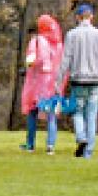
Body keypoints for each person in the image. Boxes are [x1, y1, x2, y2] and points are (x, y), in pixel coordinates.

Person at [57, 3, 98, 159]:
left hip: (78, 79)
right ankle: (89, 151)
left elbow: (66, 59)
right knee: (92, 115)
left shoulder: (72, 35)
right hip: (95, 80)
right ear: (91, 17)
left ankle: (81, 137)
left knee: (77, 111)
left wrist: (59, 81)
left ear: (77, 17)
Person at [19, 14, 63, 155]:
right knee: (51, 115)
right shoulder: (59, 44)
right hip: (53, 83)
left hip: (37, 82)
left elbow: (30, 60)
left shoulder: (37, 40)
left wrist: (29, 65)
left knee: (32, 112)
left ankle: (30, 144)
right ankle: (50, 145)